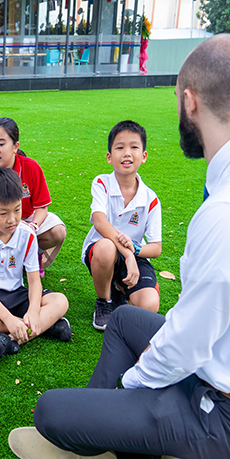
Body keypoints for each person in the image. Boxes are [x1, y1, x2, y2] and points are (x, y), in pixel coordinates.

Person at [9, 34, 230, 459]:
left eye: (177, 100)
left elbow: (191, 340)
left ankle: (90, 435)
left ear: (189, 101)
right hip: (227, 371)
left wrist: (131, 387)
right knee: (123, 319)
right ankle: (96, 426)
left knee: (51, 411)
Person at [0, 168, 72, 364]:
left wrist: (33, 311)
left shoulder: (27, 234)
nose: (12, 219)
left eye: (17, 209)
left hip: (16, 293)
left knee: (60, 301)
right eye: (3, 213)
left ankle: (7, 341)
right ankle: (44, 326)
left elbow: (34, 281)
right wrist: (9, 319)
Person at [81, 120, 162, 331]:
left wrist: (134, 250)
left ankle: (120, 288)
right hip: (103, 251)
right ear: (109, 157)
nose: (127, 153)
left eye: (134, 147)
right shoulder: (102, 183)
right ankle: (105, 301)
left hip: (134, 255)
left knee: (149, 305)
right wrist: (128, 254)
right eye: (120, 147)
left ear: (144, 156)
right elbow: (99, 221)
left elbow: (156, 248)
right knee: (107, 246)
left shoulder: (151, 199)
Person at [0, 117, 66, 277]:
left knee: (58, 231)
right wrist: (8, 224)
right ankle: (5, 259)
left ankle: (35, 254)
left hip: (28, 219)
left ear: (15, 146)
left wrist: (33, 227)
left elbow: (42, 207)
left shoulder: (31, 167)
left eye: (1, 144)